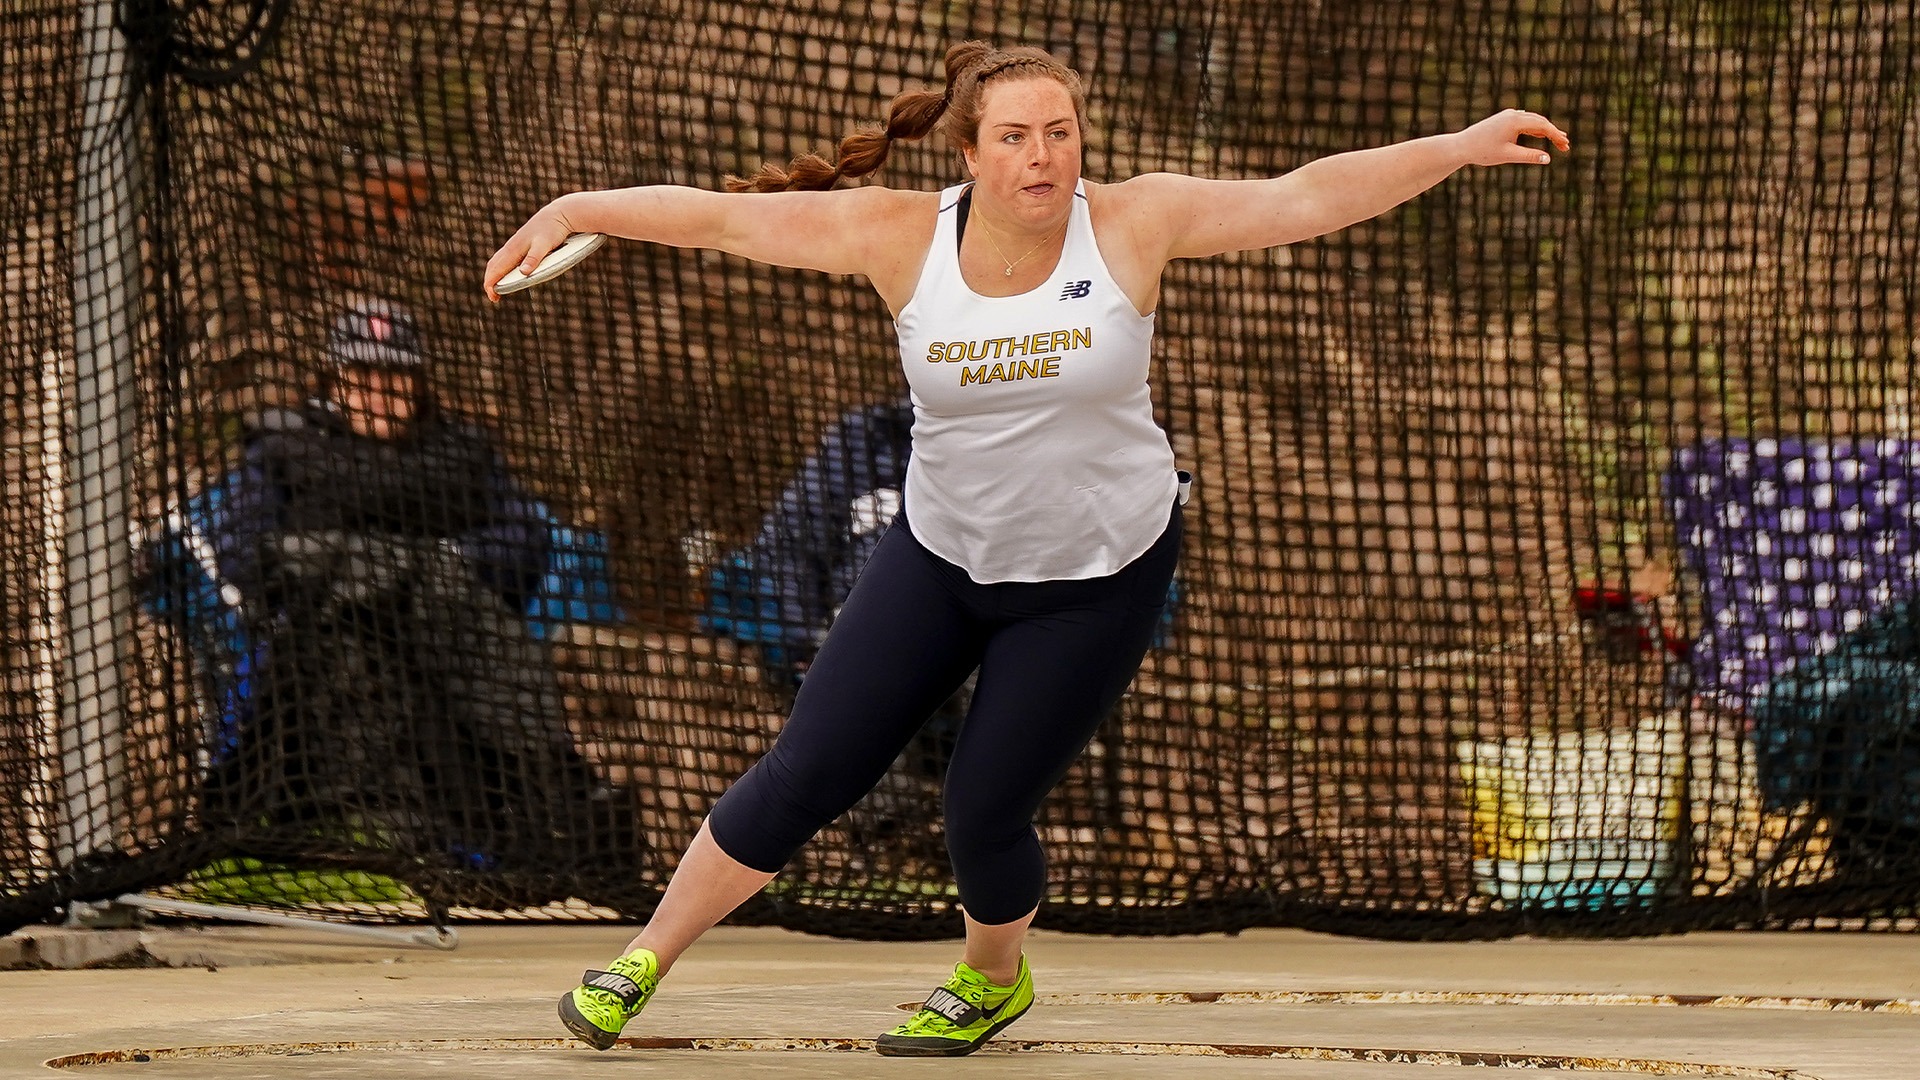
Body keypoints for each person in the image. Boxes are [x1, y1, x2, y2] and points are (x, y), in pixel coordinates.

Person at [485, 40, 1568, 1056]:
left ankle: (992, 976)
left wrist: (1459, 146)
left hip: (1095, 581)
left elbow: (1304, 195)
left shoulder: (1136, 222)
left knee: (983, 810)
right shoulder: (900, 233)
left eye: (1059, 131)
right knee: (809, 770)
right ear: (968, 151)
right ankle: (640, 961)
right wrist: (581, 206)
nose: (1041, 155)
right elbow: (719, 219)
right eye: (1013, 136)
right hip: (942, 558)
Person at [198, 296, 634, 902]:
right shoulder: (282, 448)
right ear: (336, 379)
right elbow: (245, 551)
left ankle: (544, 801)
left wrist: (433, 567)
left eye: (395, 377)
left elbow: (523, 544)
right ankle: (393, 822)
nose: (380, 393)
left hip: (452, 633)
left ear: (418, 382)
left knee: (460, 623)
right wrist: (354, 566)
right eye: (365, 377)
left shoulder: (462, 453)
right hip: (322, 638)